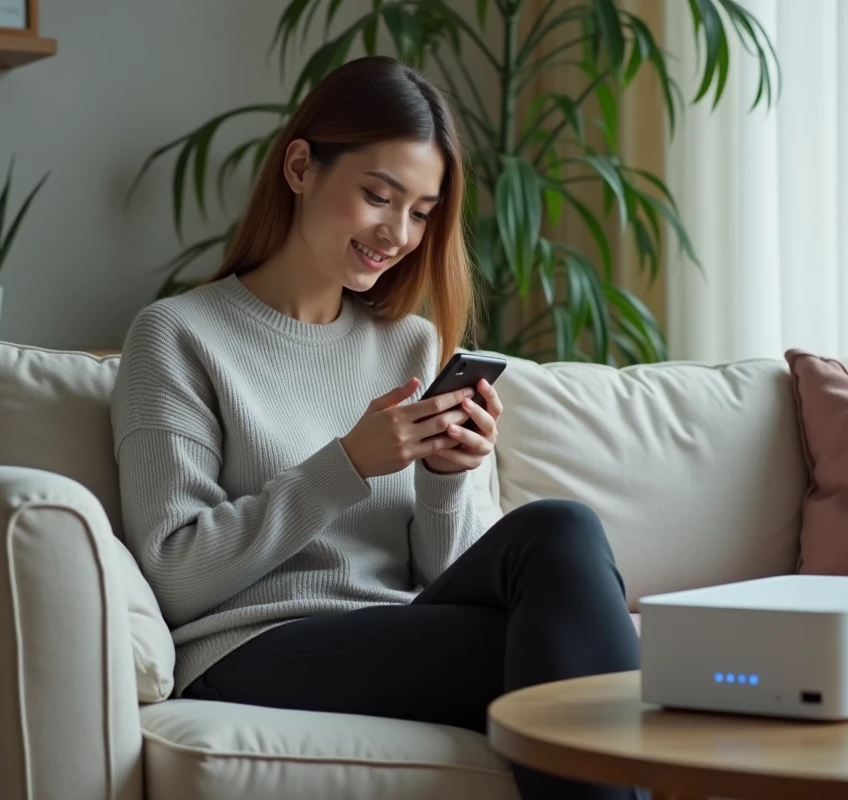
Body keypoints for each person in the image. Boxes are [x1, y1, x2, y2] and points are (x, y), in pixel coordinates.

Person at [110, 55, 642, 800]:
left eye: (422, 211)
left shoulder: (412, 346)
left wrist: (446, 482)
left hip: (401, 631)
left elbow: (442, 576)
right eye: (378, 196)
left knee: (559, 534)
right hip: (251, 650)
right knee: (584, 661)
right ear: (300, 166)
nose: (398, 232)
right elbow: (173, 573)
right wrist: (346, 465)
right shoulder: (175, 336)